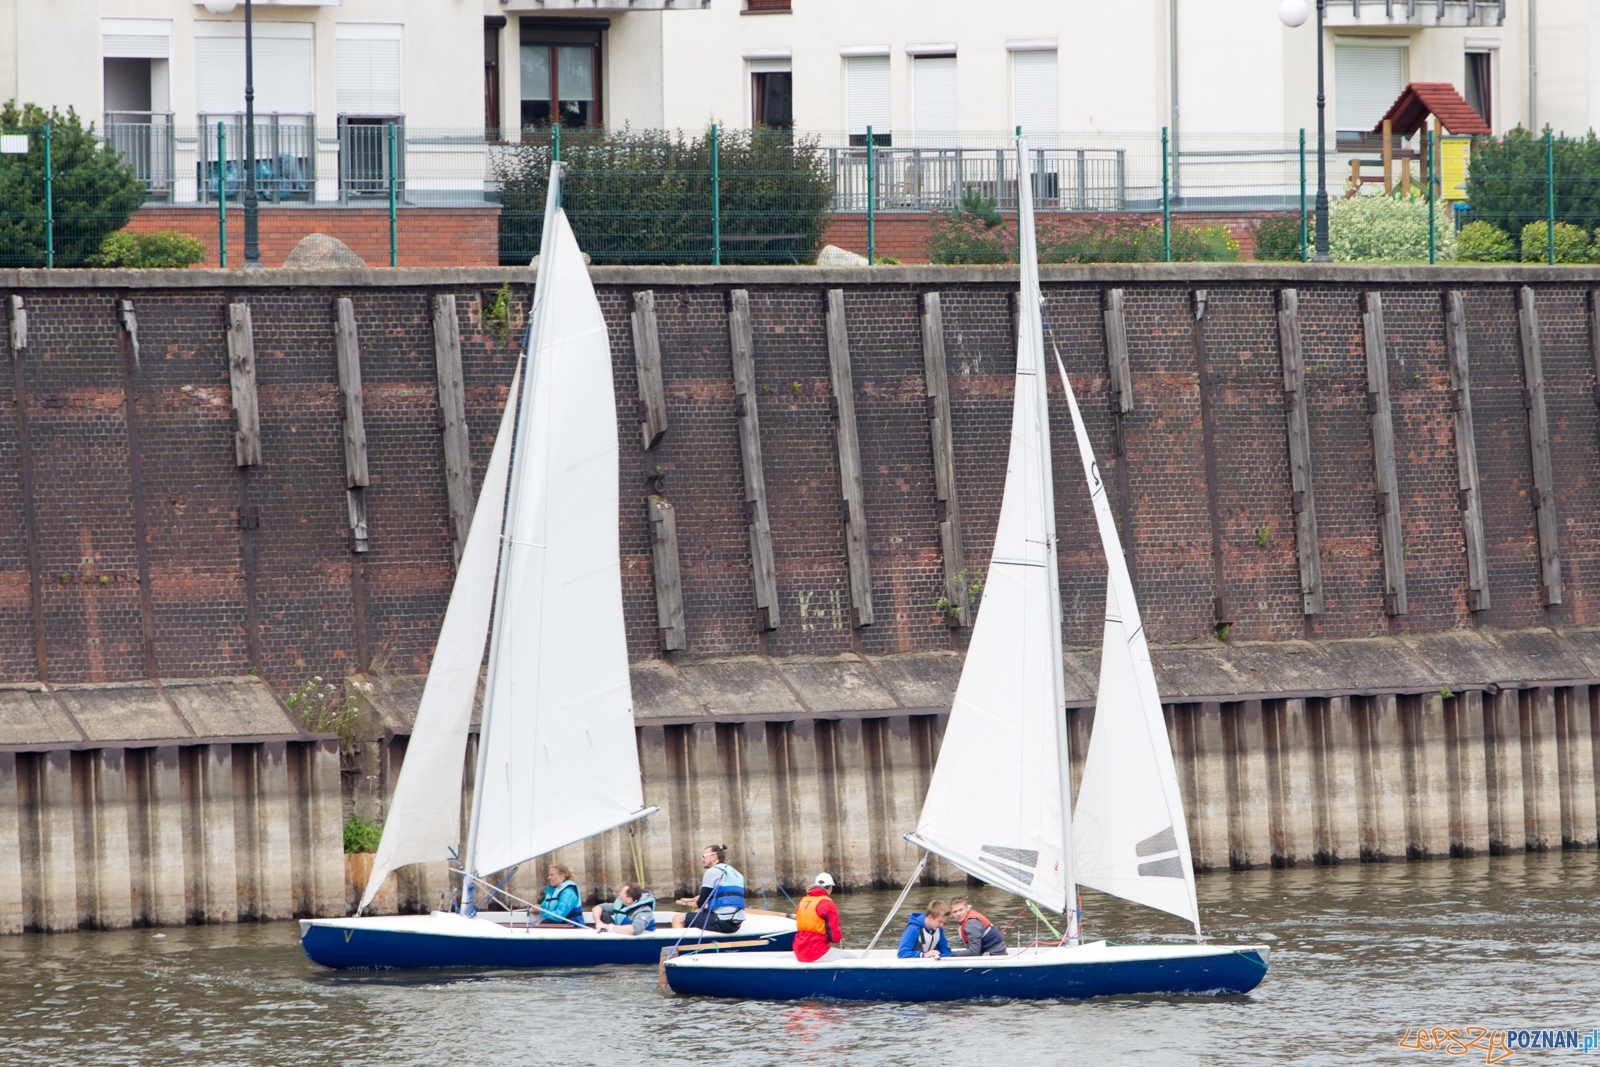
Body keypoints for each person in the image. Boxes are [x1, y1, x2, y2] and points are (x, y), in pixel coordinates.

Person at [671, 843, 746, 933]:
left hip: (723, 921)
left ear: (714, 856)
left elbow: (701, 903)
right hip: (736, 923)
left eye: (704, 856)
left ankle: (680, 945)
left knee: (678, 919)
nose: (702, 859)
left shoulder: (713, 871)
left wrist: (699, 899)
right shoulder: (736, 873)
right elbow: (725, 894)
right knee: (697, 911)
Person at [793, 872, 841, 962]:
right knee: (852, 958)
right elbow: (835, 937)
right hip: (816, 952)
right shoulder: (828, 905)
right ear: (830, 887)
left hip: (799, 950)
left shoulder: (802, 902)